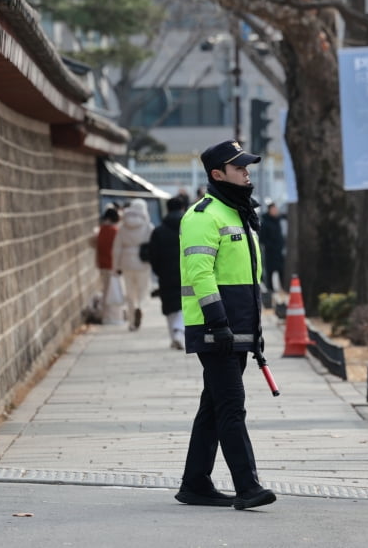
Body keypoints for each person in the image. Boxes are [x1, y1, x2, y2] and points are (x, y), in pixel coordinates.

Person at [176, 140, 276, 510]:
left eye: (247, 167)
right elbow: (200, 274)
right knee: (232, 406)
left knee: (214, 406)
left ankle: (195, 483)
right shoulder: (204, 216)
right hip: (215, 329)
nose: (247, 173)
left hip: (236, 330)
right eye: (240, 168)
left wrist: (254, 332)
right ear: (218, 174)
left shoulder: (238, 214)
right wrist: (219, 324)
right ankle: (248, 486)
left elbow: (248, 279)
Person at [148, 196, 187, 349]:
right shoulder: (188, 227)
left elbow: (152, 254)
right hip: (186, 271)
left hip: (166, 273)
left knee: (170, 305)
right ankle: (178, 332)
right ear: (183, 208)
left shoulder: (158, 231)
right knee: (184, 304)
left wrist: (158, 270)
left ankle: (174, 335)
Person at [112, 199, 154, 331]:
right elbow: (153, 246)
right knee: (142, 290)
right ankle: (140, 306)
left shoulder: (122, 227)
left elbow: (116, 248)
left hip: (126, 263)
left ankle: (131, 321)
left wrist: (115, 267)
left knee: (130, 293)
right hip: (143, 263)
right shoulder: (148, 227)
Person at [95, 207, 121, 324]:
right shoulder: (115, 231)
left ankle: (105, 315)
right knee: (113, 292)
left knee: (105, 291)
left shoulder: (101, 230)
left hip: (102, 264)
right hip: (112, 265)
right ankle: (112, 317)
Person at [259, 203, 285, 295]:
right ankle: (270, 290)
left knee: (281, 270)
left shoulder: (277, 220)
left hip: (279, 251)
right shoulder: (265, 222)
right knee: (270, 271)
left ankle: (283, 288)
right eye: (273, 209)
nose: (275, 211)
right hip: (270, 252)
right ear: (269, 210)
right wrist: (270, 246)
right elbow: (262, 238)